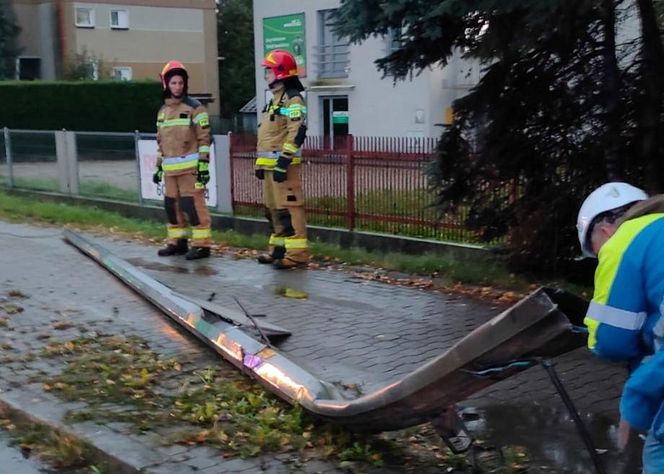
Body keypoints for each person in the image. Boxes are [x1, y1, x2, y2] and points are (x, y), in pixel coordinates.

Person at [577, 182, 664, 473]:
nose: (602, 257)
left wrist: (637, 399)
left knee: (658, 453)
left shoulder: (623, 241)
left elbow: (610, 341)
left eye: (596, 252)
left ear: (604, 230)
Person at [152, 60, 212, 260]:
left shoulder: (196, 108)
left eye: (180, 83)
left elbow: (204, 138)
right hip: (170, 171)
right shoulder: (162, 112)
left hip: (189, 170)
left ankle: (202, 245)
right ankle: (177, 242)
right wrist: (159, 167)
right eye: (173, 83)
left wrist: (203, 165)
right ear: (166, 84)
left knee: (193, 207)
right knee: (172, 208)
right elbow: (161, 142)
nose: (177, 87)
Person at [254, 49, 309, 270]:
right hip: (270, 167)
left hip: (284, 167)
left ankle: (297, 255)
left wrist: (284, 161)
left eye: (268, 70)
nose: (266, 75)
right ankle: (278, 250)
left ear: (279, 72)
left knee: (290, 211)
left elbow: (297, 130)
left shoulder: (292, 98)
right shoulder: (273, 100)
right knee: (273, 210)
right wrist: (259, 164)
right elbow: (267, 136)